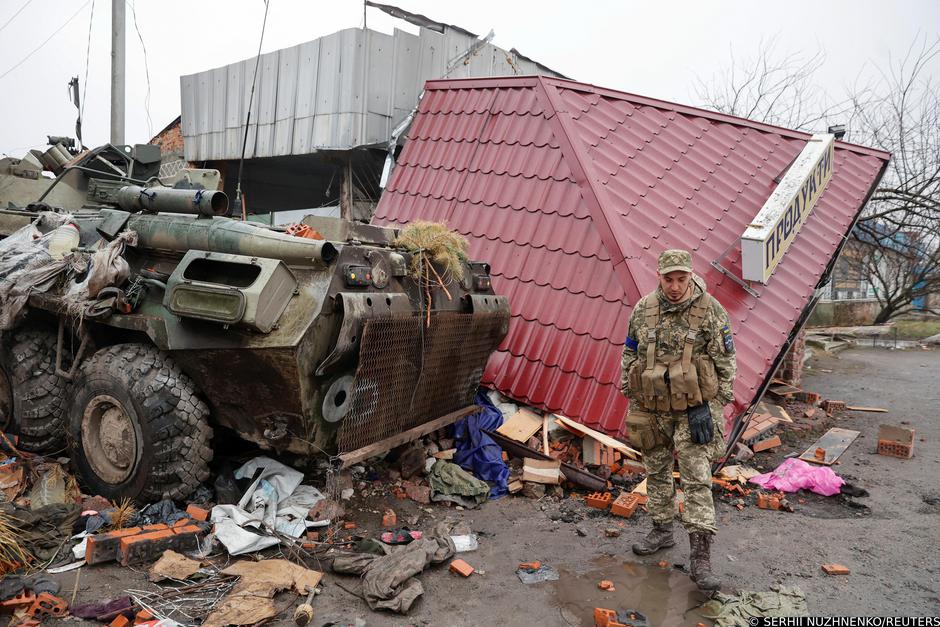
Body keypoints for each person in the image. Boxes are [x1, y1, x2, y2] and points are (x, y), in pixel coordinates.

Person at [620, 249, 736, 592]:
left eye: (681, 279)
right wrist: (631, 389)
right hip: (652, 405)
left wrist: (713, 405)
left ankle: (701, 557)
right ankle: (662, 528)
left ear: (690, 276)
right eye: (668, 279)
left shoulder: (709, 310)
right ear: (659, 275)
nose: (674, 286)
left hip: (693, 409)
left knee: (696, 475)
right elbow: (630, 350)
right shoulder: (643, 309)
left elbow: (726, 363)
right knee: (655, 469)